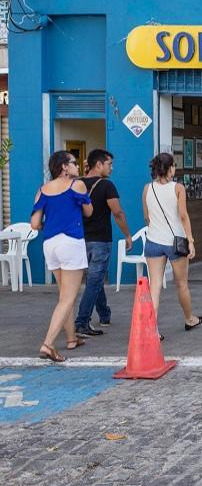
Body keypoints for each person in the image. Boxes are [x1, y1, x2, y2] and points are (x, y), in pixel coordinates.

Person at [31, 151, 93, 362]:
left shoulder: (42, 190)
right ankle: (48, 344)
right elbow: (89, 212)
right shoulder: (77, 185)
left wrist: (51, 224)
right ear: (64, 167)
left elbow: (34, 224)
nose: (78, 166)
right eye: (74, 162)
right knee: (68, 298)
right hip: (71, 242)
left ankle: (71, 338)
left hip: (50, 244)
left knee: (64, 296)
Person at [142, 153, 202, 337]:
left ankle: (152, 330)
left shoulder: (147, 189)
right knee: (182, 284)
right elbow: (183, 216)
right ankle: (189, 319)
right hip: (175, 242)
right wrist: (190, 240)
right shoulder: (178, 188)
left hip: (153, 241)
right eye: (174, 166)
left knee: (155, 287)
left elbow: (147, 217)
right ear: (169, 168)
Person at [74, 149, 132, 337]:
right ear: (98, 164)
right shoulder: (107, 185)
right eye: (109, 164)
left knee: (94, 278)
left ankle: (104, 314)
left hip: (80, 240)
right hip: (100, 240)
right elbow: (118, 212)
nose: (112, 168)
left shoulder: (77, 184)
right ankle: (82, 322)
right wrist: (127, 235)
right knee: (94, 281)